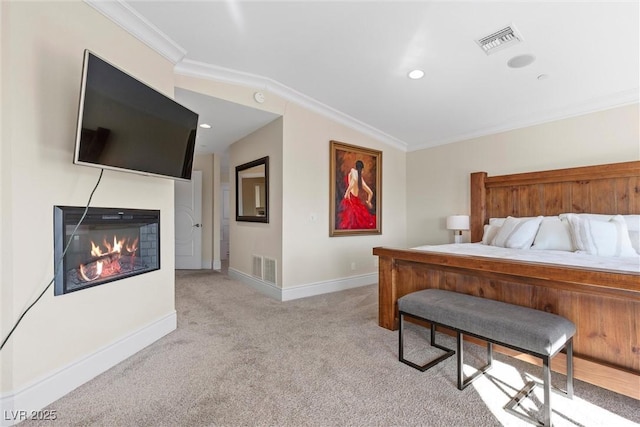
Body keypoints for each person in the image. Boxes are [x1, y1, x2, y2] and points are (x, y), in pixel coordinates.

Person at [338, 160, 376, 229]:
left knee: (352, 223)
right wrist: (368, 202)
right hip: (353, 201)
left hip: (351, 201)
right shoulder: (360, 179)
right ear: (362, 169)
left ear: (356, 166)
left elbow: (354, 179)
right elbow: (370, 192)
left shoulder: (354, 173)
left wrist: (347, 192)